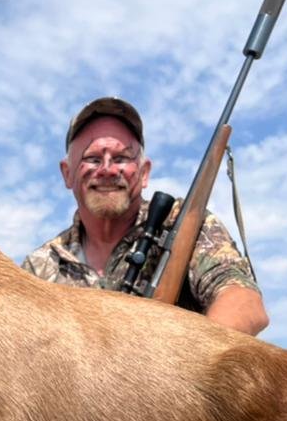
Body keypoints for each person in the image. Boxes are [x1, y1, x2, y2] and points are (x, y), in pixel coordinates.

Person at [22, 97, 269, 336]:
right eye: (92, 159)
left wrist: (176, 368)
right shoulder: (39, 266)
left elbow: (244, 301)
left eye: (121, 158)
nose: (107, 170)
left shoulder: (182, 226)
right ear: (67, 173)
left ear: (144, 173)